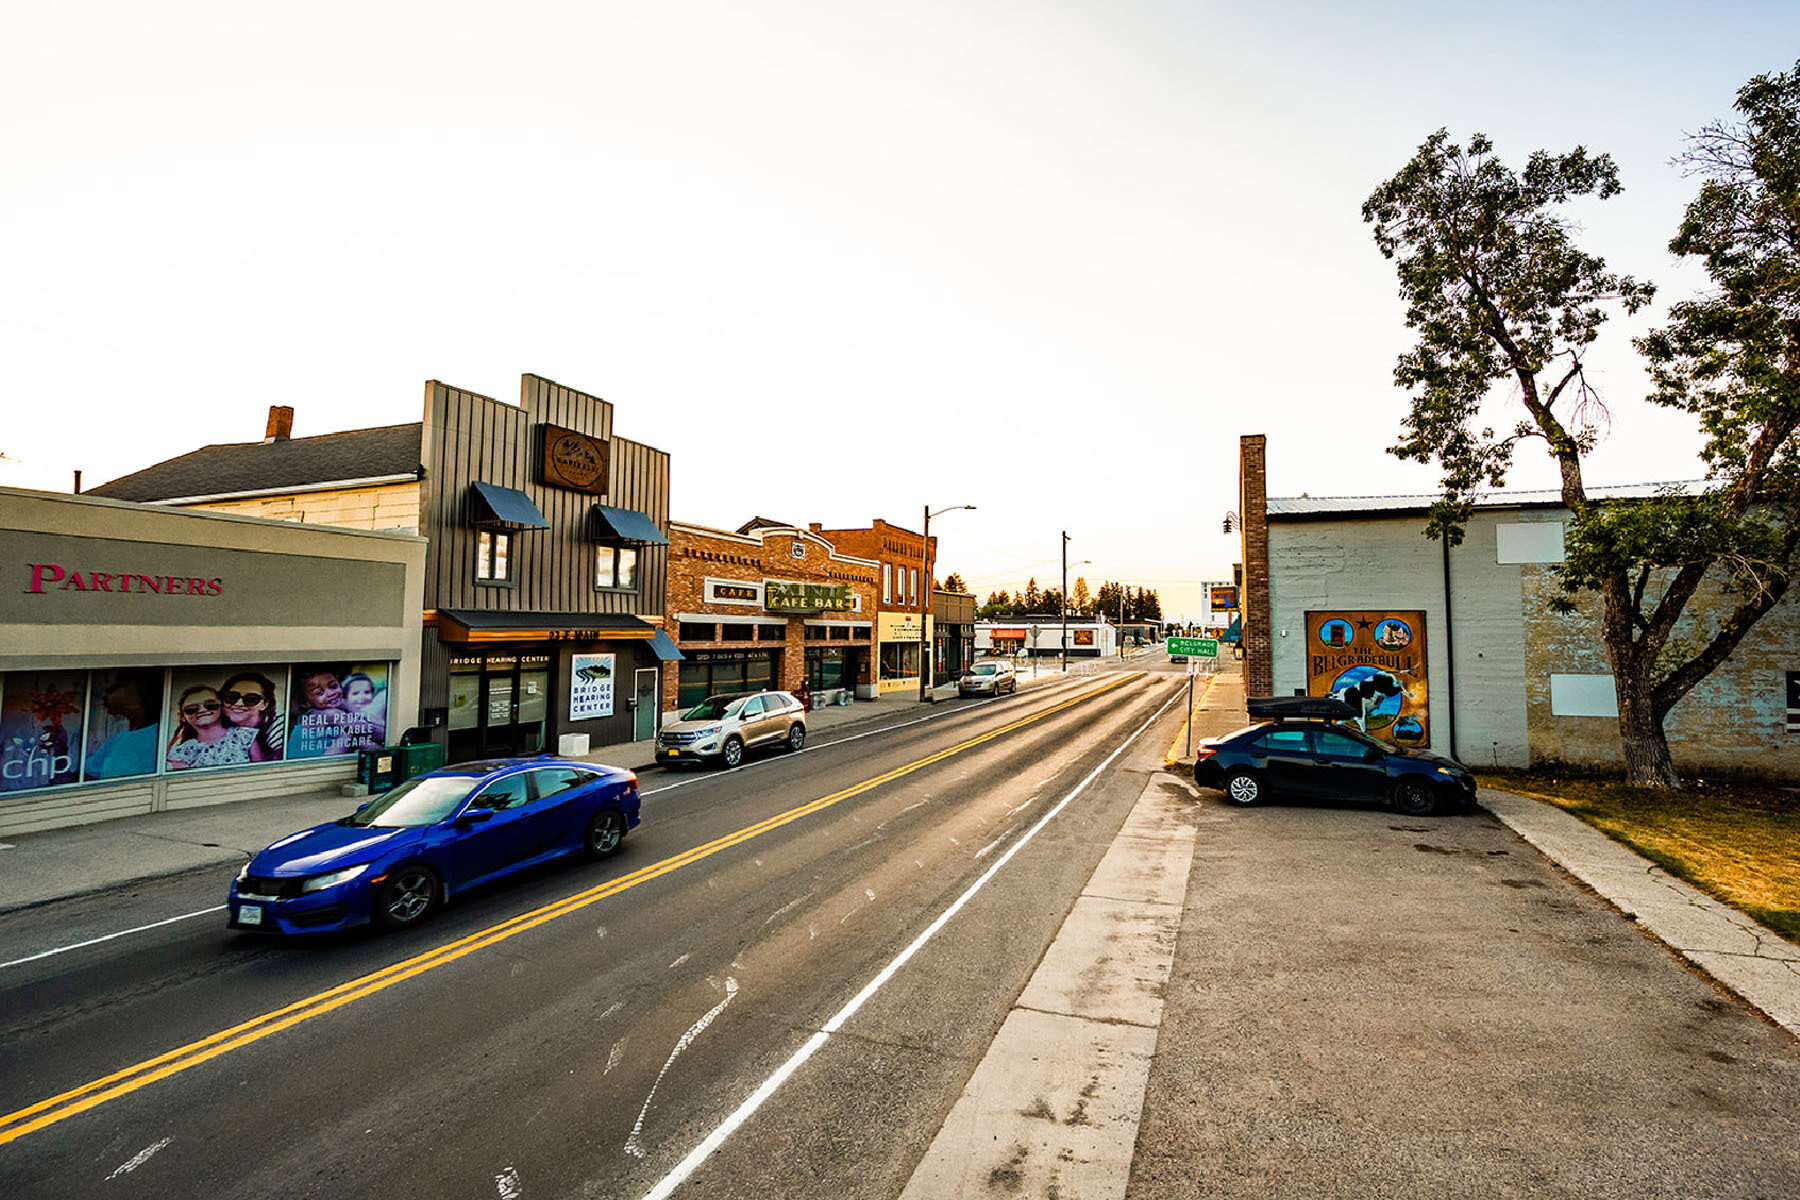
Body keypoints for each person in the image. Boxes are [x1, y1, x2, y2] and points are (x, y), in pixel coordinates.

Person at [85, 669, 162, 779]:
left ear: (149, 695)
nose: (108, 689)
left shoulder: (160, 737)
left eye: (120, 684)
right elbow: (89, 774)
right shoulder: (117, 740)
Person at [167, 685, 257, 769]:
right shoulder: (181, 754)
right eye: (192, 708)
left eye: (210, 705)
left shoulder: (245, 736)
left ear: (221, 707)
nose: (202, 710)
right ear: (183, 717)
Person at [221, 670, 284, 762]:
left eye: (251, 699)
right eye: (232, 697)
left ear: (264, 704)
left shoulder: (278, 725)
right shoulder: (215, 722)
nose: (239, 703)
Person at [339, 671, 387, 748]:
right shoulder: (343, 713)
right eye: (355, 693)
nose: (362, 697)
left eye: (367, 692)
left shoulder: (374, 707)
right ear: (346, 697)